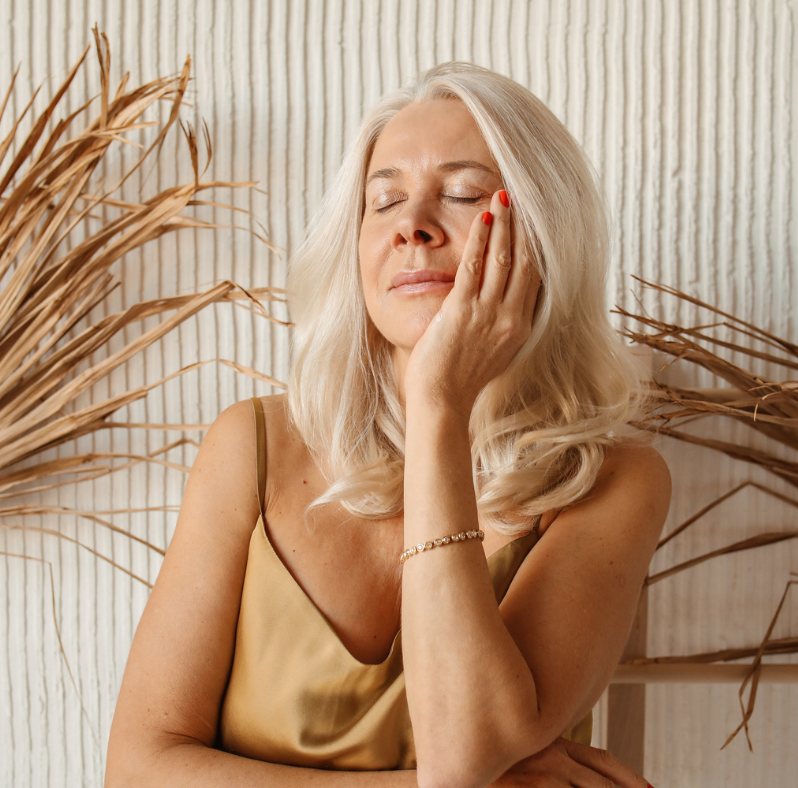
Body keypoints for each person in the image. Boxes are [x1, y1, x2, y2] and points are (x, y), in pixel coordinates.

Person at [105, 62, 670, 788]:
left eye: (463, 194)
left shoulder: (614, 480)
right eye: (385, 201)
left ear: (544, 235)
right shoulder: (250, 447)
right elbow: (136, 769)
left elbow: (464, 751)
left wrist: (440, 405)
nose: (411, 226)